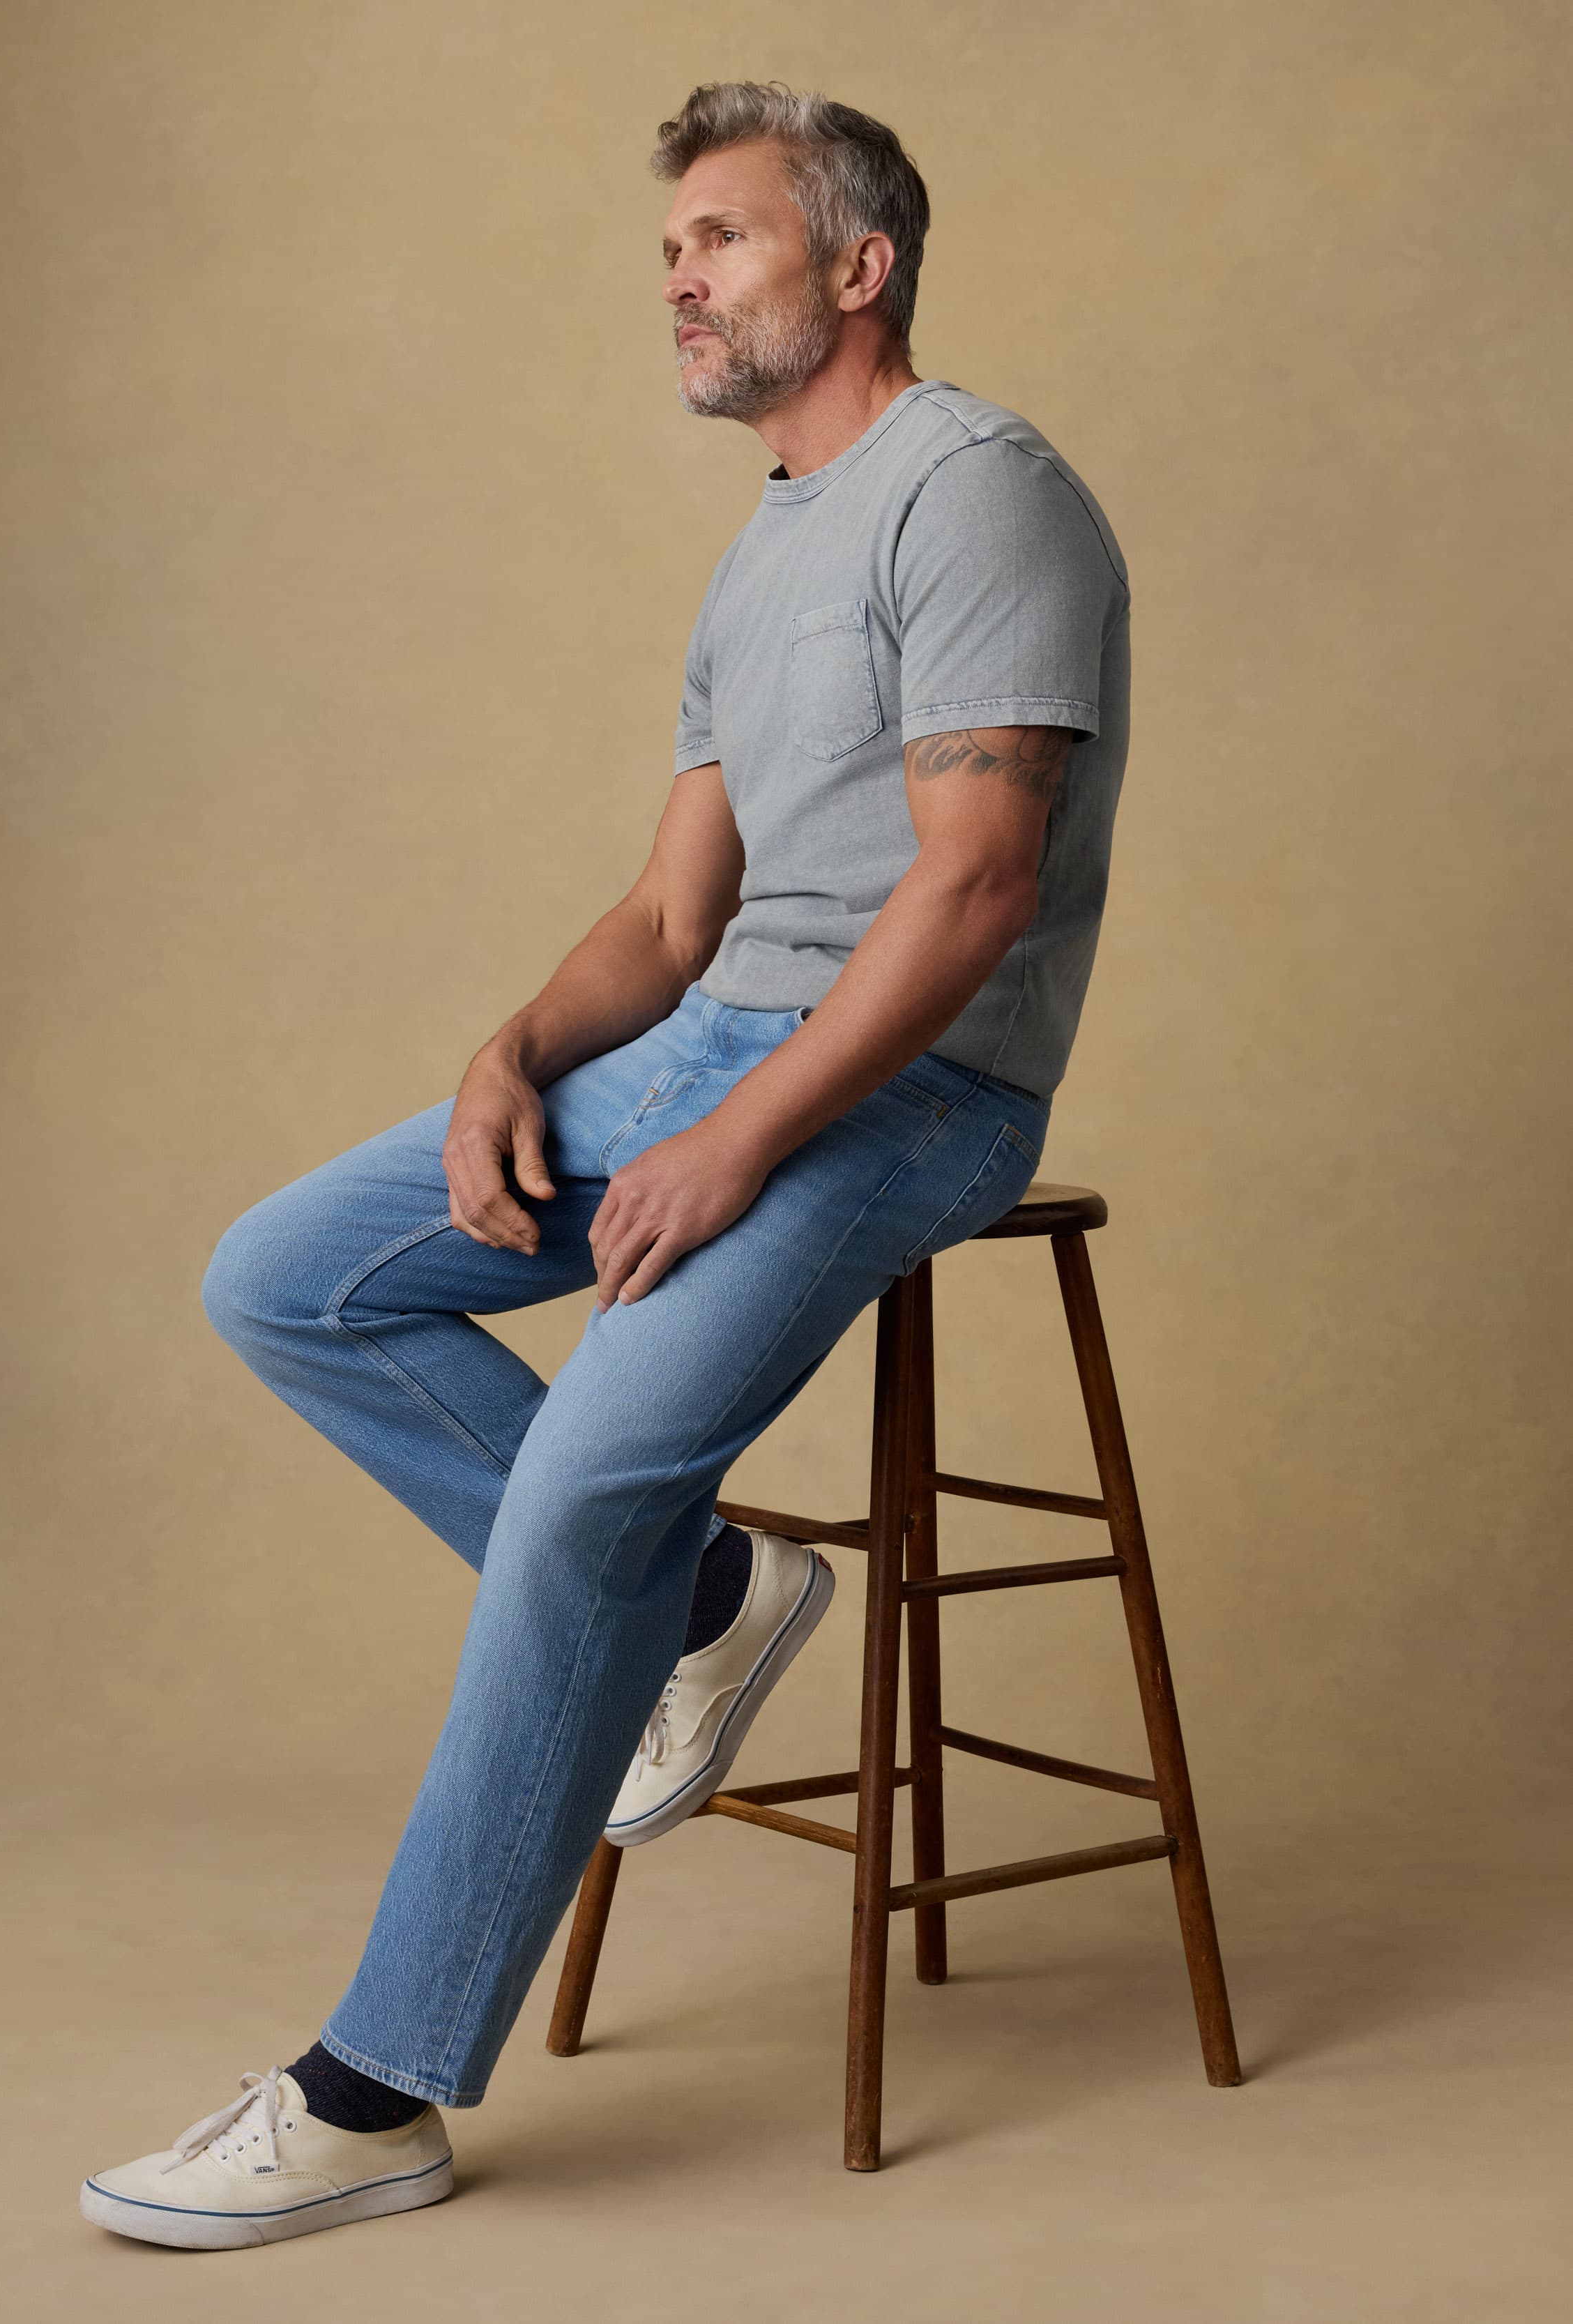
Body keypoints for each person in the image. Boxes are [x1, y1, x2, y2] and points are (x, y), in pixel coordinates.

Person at [82, 78, 1131, 2248]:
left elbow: (975, 888)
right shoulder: (763, 548)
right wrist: (514, 1053)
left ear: (861, 266)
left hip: (913, 1089)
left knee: (577, 1494)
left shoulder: (982, 491)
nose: (679, 279)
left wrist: (741, 1140)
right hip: (719, 1049)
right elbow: (671, 926)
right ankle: (716, 1595)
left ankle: (377, 2092)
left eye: (722, 242)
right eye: (671, 252)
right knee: (289, 1275)